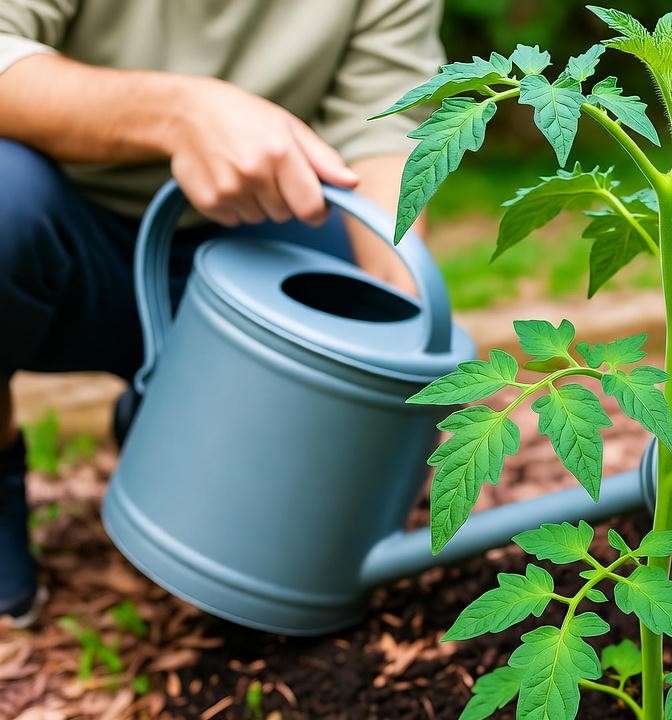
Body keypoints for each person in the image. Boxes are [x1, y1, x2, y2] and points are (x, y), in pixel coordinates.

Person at [0, 0, 445, 627]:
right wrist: (179, 113)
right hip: (55, 208)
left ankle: (169, 415)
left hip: (256, 233)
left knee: (253, 581)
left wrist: (398, 353)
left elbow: (383, 133)